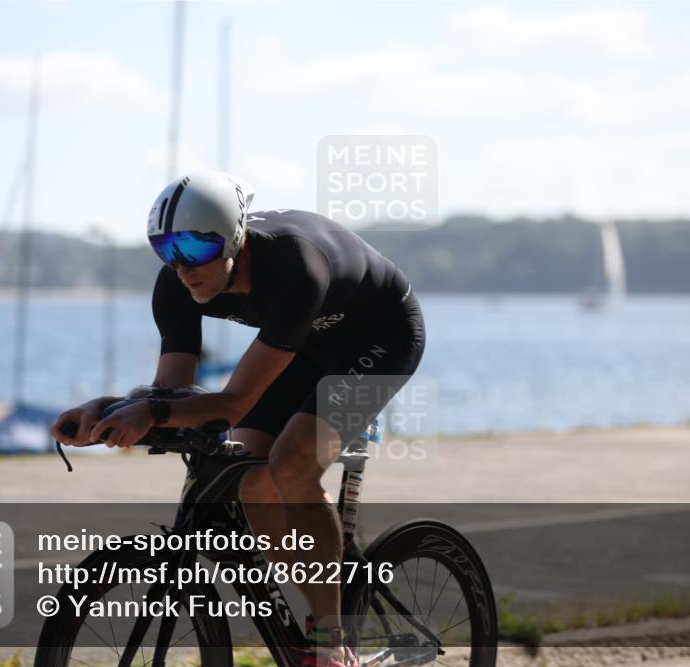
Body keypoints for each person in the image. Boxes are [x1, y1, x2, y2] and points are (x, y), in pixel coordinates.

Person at [51, 171, 425, 667]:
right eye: (166, 248)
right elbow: (173, 395)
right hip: (306, 346)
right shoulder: (177, 284)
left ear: (233, 239)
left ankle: (331, 638)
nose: (182, 266)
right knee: (250, 482)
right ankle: (325, 583)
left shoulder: (296, 267)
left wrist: (152, 410)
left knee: (292, 464)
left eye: (195, 246)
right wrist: (105, 409)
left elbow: (232, 403)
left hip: (382, 338)